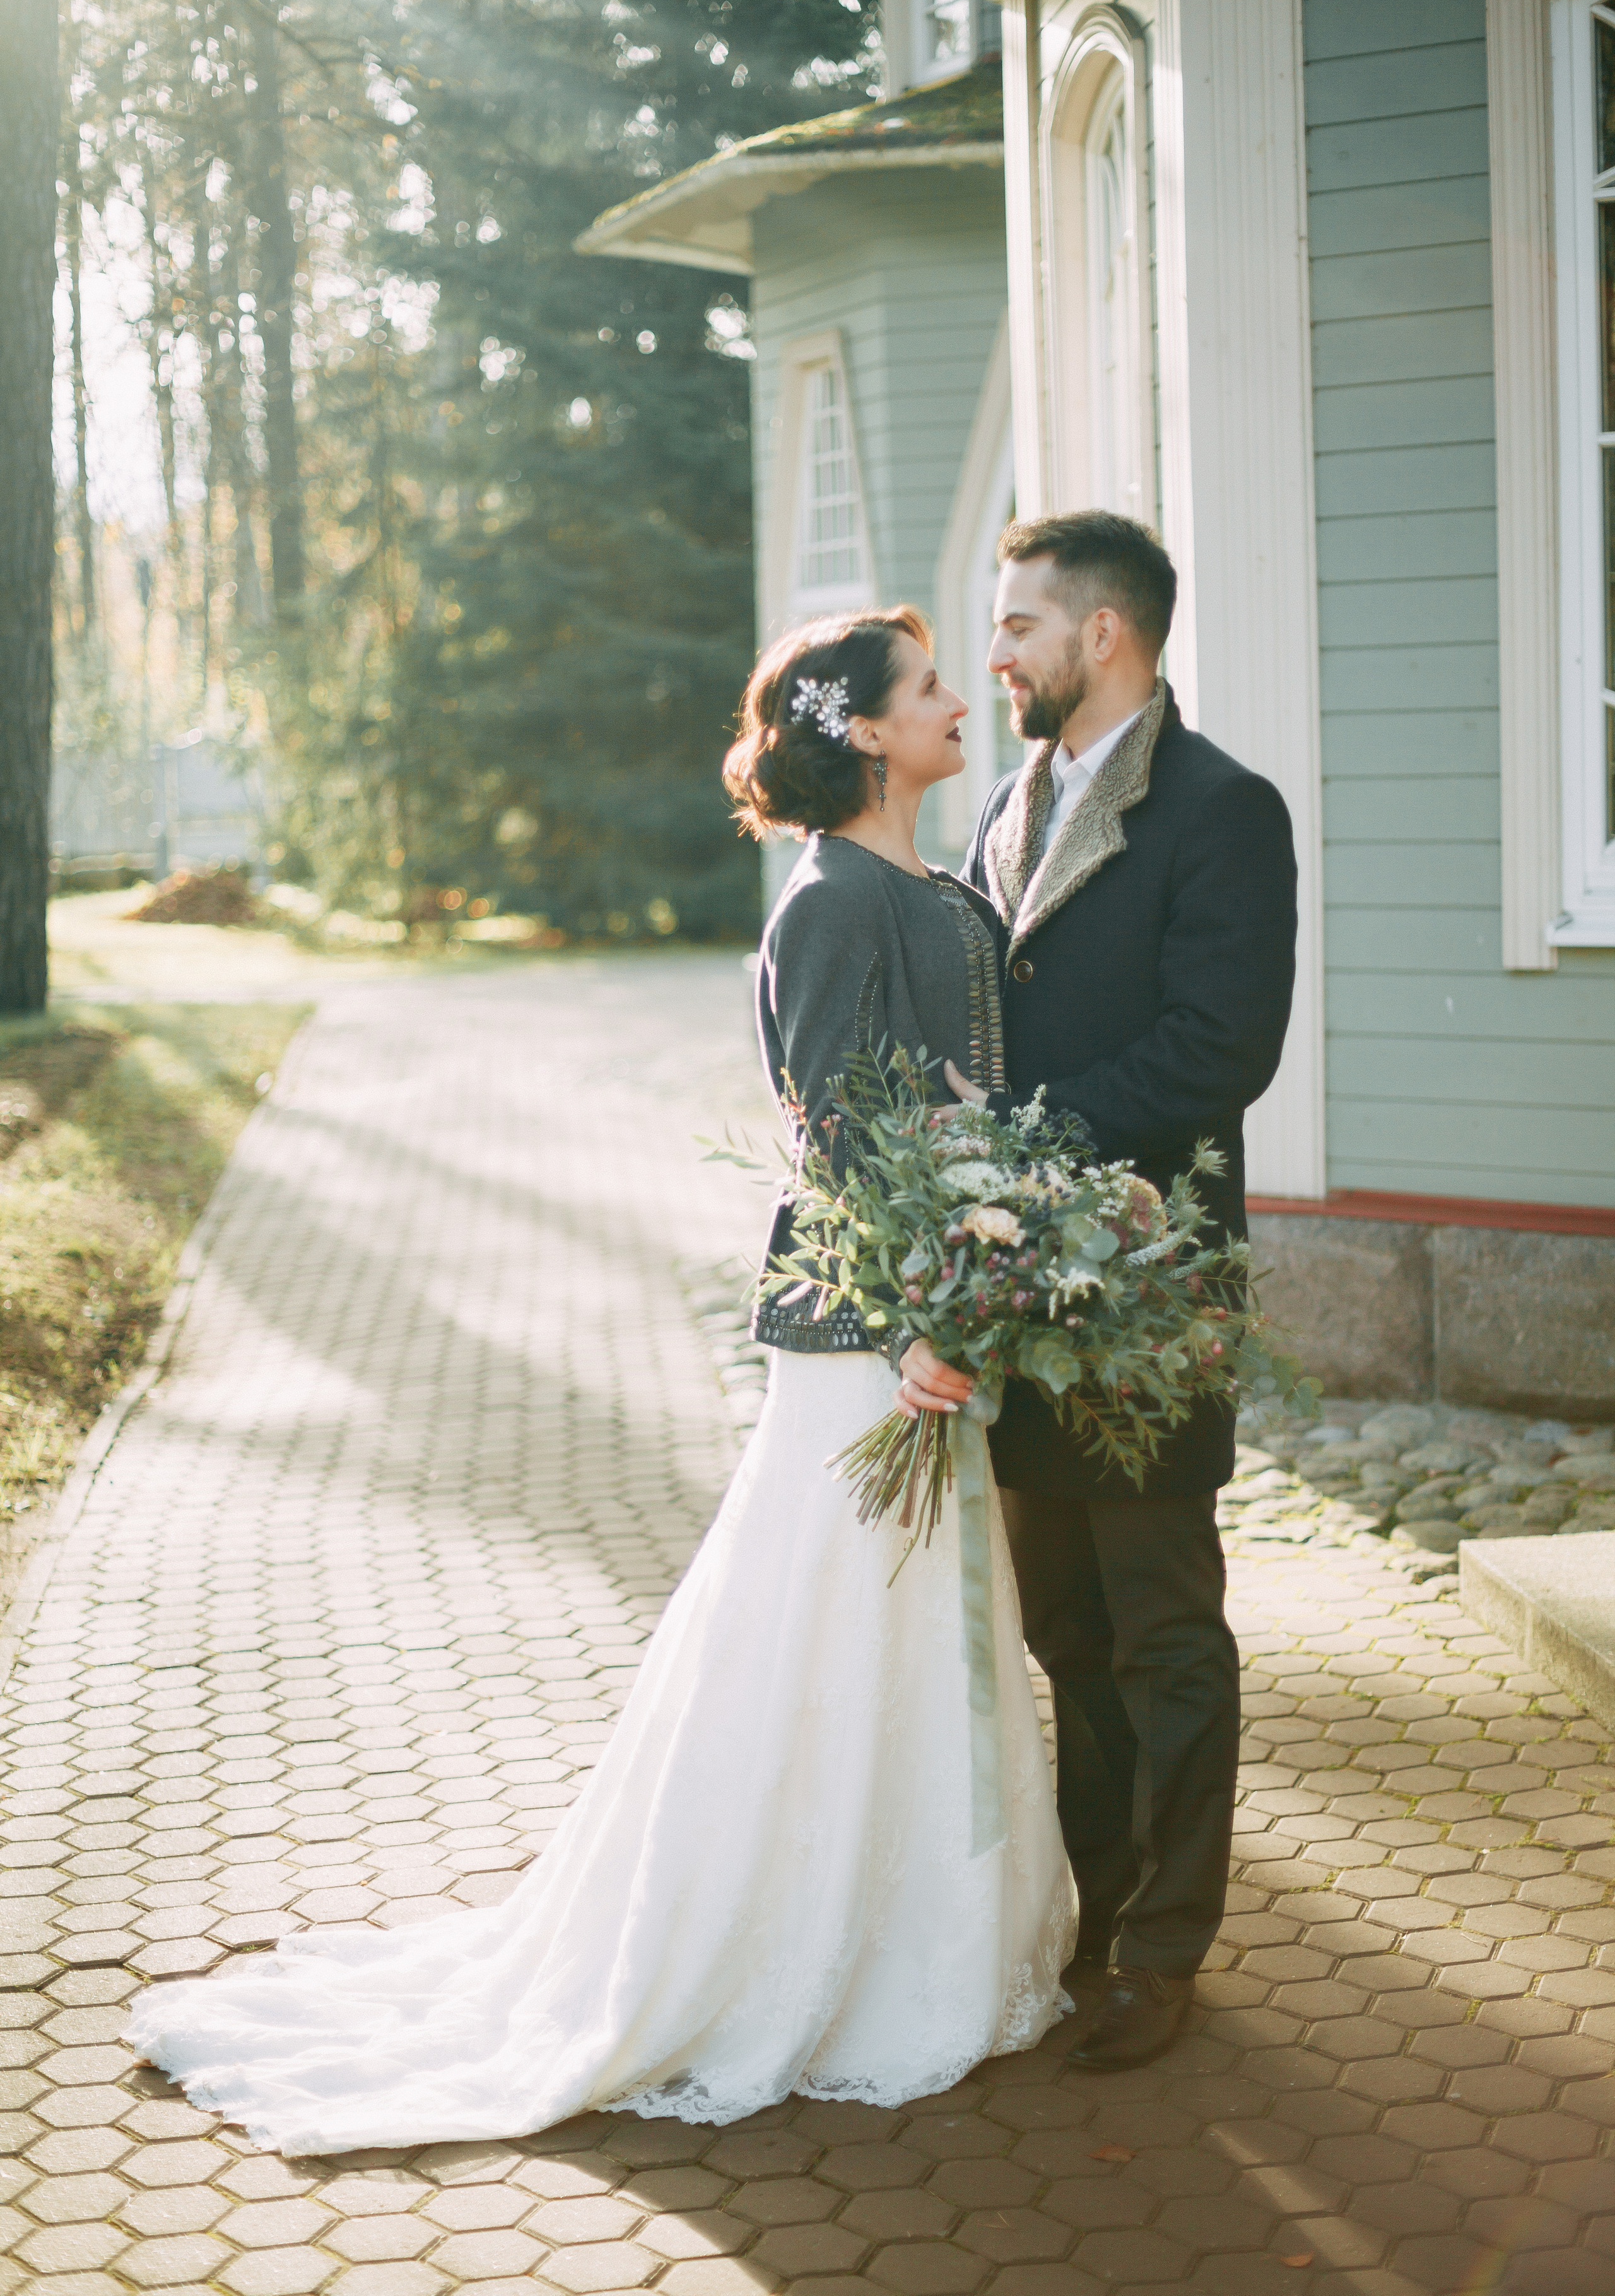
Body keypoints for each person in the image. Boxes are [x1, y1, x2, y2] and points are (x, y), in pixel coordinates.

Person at [124, 604, 1076, 2157]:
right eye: (925, 688)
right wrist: (917, 1315)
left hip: (949, 1327)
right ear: (862, 732)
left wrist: (998, 1271)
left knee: (941, 1631)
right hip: (865, 1351)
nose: (958, 699)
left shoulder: (944, 894)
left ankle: (937, 1940)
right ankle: (771, 1951)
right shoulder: (829, 903)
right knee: (827, 1627)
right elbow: (833, 1135)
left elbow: (976, 1106)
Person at [899, 512, 1298, 2073]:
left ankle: (1163, 1948)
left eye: (1013, 627)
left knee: (1159, 1621)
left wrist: (1026, 1153)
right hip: (1021, 1295)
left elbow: (1220, 1048)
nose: (990, 655)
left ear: (1104, 632)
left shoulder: (1218, 811)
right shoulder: (1011, 798)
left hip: (1145, 1281)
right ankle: (1094, 1904)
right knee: (1064, 1617)